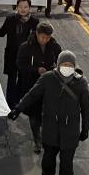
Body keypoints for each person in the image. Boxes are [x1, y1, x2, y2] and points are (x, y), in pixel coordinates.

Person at [8, 50, 89, 175]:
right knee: (49, 157)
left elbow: (85, 108)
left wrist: (85, 128)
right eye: (64, 64)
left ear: (74, 66)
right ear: (58, 64)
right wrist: (18, 109)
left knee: (67, 165)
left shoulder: (81, 83)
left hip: (70, 131)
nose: (67, 67)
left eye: (70, 65)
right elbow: (32, 95)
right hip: (51, 128)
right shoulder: (47, 79)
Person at [16, 22, 62, 153]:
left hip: (49, 86)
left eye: (48, 38)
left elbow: (61, 61)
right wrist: (36, 70)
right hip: (31, 85)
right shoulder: (26, 47)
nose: (45, 40)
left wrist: (53, 69)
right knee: (34, 114)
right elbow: (20, 65)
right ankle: (37, 139)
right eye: (43, 37)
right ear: (36, 34)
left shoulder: (54, 46)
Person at [0, 0, 39, 108]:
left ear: (29, 8)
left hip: (26, 56)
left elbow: (38, 39)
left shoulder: (34, 21)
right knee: (11, 80)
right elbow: (1, 32)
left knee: (23, 80)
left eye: (25, 7)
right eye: (20, 7)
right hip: (11, 54)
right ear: (16, 7)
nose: (23, 9)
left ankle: (18, 102)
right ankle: (9, 104)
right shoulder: (10, 19)